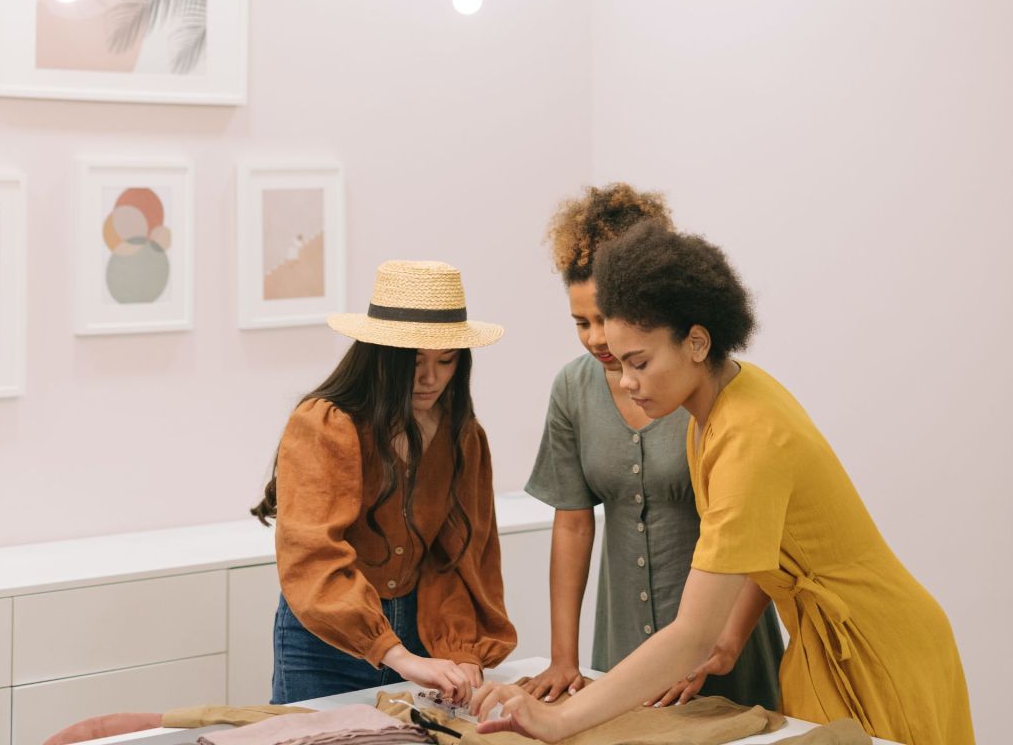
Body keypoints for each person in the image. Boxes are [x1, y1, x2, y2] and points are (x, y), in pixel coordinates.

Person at [471, 223, 975, 745]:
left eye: (639, 362)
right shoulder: (719, 406)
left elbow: (692, 634)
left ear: (696, 342)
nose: (626, 381)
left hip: (877, 647)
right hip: (823, 641)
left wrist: (556, 720)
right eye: (620, 364)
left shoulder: (748, 435)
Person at [522, 184, 783, 710]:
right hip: (623, 645)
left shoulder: (713, 391)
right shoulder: (572, 390)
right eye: (580, 323)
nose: (596, 338)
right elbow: (573, 523)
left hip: (725, 646)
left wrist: (722, 643)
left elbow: (765, 540)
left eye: (603, 317)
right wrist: (563, 657)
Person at [252, 260, 516, 705]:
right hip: (324, 638)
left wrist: (460, 648)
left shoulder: (461, 435)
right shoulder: (324, 425)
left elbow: (462, 555)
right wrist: (395, 653)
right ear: (380, 356)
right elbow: (313, 558)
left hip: (421, 628)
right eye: (414, 362)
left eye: (446, 361)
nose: (430, 378)